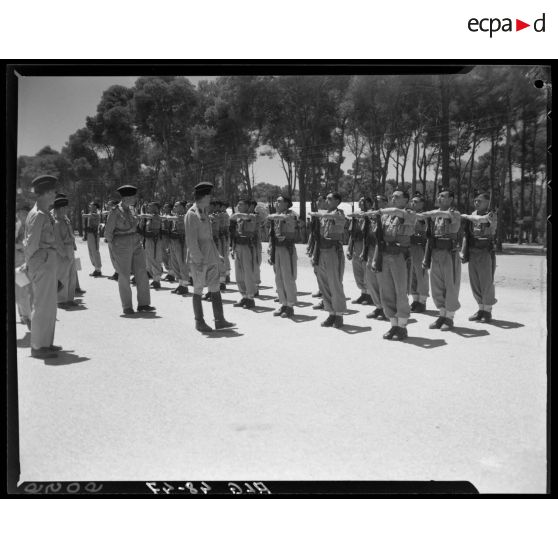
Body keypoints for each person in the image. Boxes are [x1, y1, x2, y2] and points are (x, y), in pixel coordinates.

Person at [185, 182, 235, 332]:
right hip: (199, 259)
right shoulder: (192, 214)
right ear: (204, 196)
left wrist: (217, 254)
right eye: (209, 195)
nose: (211, 198)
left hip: (211, 257)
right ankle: (199, 322)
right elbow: (191, 241)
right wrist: (198, 260)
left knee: (215, 287)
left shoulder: (204, 212)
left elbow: (210, 238)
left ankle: (219, 320)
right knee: (198, 289)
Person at [24, 175, 61, 359]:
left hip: (47, 260)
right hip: (43, 261)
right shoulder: (39, 215)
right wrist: (32, 265)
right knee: (42, 305)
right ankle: (38, 346)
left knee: (49, 306)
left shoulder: (44, 213)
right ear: (45, 193)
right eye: (53, 191)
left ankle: (46, 343)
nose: (55, 195)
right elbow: (30, 244)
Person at [104, 184, 155, 315]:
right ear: (126, 198)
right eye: (133, 197)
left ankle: (144, 304)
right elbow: (108, 233)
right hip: (121, 244)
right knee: (124, 274)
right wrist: (113, 249)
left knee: (141, 272)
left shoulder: (133, 209)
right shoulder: (115, 211)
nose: (135, 199)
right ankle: (127, 306)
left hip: (136, 242)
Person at [374, 190, 417, 341]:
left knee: (400, 291)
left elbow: (397, 212)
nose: (393, 199)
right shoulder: (386, 216)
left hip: (400, 256)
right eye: (392, 197)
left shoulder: (409, 213)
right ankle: (393, 324)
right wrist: (375, 258)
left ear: (406, 200)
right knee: (387, 291)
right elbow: (380, 239)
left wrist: (379, 210)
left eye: (397, 197)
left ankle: (402, 327)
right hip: (386, 255)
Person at [419, 189, 462, 331]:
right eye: (438, 195)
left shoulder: (454, 213)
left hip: (449, 254)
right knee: (437, 286)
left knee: (450, 285)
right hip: (436, 253)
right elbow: (430, 238)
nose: (439, 198)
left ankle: (449, 318)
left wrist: (431, 213)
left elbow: (451, 220)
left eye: (443, 196)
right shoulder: (434, 216)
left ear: (451, 199)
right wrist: (427, 257)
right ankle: (441, 315)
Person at [309, 192, 347, 328]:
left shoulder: (339, 213)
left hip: (333, 251)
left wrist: (318, 214)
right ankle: (331, 313)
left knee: (334, 283)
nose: (327, 200)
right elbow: (317, 237)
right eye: (327, 198)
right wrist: (314, 254)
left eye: (330, 198)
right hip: (322, 251)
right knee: (324, 284)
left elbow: (332, 217)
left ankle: (339, 315)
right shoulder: (323, 215)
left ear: (337, 201)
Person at [461, 192, 498, 323]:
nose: (476, 203)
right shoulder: (472, 214)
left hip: (485, 251)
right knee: (475, 281)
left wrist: (465, 216)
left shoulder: (491, 214)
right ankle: (480, 309)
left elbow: (481, 221)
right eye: (475, 200)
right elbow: (467, 234)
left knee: (486, 281)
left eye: (480, 201)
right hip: (473, 251)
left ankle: (487, 311)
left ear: (487, 202)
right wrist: (463, 251)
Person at [267, 195, 299, 318]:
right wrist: (271, 250)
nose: (276, 203)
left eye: (279, 201)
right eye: (276, 201)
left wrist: (272, 215)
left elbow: (287, 219)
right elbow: (272, 235)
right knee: (278, 277)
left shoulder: (291, 214)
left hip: (287, 248)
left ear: (287, 204)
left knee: (288, 277)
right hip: (277, 248)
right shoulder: (276, 216)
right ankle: (283, 303)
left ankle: (290, 306)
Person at [230, 198, 260, 309]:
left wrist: (237, 215)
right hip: (238, 246)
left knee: (248, 272)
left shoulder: (252, 216)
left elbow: (239, 217)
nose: (238, 206)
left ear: (247, 206)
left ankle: (250, 298)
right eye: (237, 204)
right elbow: (232, 219)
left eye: (240, 204)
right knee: (239, 273)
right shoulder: (239, 217)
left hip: (248, 247)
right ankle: (244, 295)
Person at [52, 193, 78, 308]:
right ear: (61, 208)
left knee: (72, 275)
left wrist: (73, 246)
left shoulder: (65, 220)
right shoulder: (56, 223)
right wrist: (63, 254)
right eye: (65, 207)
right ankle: (61, 300)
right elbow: (57, 242)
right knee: (62, 275)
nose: (67, 209)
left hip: (70, 249)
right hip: (63, 252)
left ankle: (70, 298)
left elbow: (70, 235)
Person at [364, 194, 388, 320]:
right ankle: (378, 306)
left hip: (382, 251)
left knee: (382, 281)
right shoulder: (372, 216)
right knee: (371, 280)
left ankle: (386, 308)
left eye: (379, 201)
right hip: (372, 250)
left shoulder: (388, 215)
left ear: (385, 202)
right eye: (375, 201)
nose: (376, 203)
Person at [347, 196, 374, 305]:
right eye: (360, 201)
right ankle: (363, 294)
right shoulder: (356, 215)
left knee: (366, 271)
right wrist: (349, 248)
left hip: (366, 244)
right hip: (357, 245)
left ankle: (370, 295)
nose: (360, 203)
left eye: (363, 201)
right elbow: (352, 234)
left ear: (369, 203)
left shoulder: (372, 215)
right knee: (358, 271)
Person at [408, 192, 429, 313]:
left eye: (416, 202)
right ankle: (415, 300)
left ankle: (422, 301)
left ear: (422, 204)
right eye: (412, 201)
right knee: (412, 274)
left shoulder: (424, 216)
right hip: (410, 247)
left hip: (420, 247)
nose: (412, 203)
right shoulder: (409, 214)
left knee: (421, 274)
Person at [15, 203, 32, 329]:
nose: (24, 215)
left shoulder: (26, 225)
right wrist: (21, 246)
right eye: (22, 212)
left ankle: (23, 315)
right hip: (18, 262)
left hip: (23, 261)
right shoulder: (17, 225)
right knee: (23, 289)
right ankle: (26, 316)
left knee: (23, 289)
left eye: (26, 212)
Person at [139, 201, 164, 290]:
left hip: (154, 241)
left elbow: (153, 232)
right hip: (148, 241)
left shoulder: (156, 217)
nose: (148, 207)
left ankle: (157, 280)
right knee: (149, 261)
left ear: (156, 208)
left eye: (150, 206)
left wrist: (142, 232)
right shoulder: (149, 217)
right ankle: (154, 279)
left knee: (155, 260)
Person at [168, 200, 190, 295]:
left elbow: (174, 219)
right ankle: (180, 284)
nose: (174, 207)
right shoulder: (175, 216)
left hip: (182, 242)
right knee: (175, 263)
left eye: (177, 206)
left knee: (182, 263)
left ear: (183, 207)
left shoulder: (185, 216)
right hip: (174, 241)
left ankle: (184, 286)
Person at [82, 200, 103, 277]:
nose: (89, 206)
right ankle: (96, 268)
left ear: (94, 206)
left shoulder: (96, 214)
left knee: (95, 251)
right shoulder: (91, 214)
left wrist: (83, 214)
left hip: (94, 235)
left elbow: (85, 216)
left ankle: (98, 269)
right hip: (90, 234)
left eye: (91, 205)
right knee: (91, 251)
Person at [105, 193, 121, 281]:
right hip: (111, 238)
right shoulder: (111, 213)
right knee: (112, 256)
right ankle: (117, 272)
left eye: (109, 205)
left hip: (115, 238)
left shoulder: (116, 213)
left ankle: (119, 272)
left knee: (116, 256)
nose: (108, 206)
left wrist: (110, 237)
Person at [160, 201, 175, 282]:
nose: (164, 208)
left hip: (169, 238)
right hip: (162, 237)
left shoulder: (171, 217)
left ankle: (171, 273)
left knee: (170, 255)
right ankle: (168, 271)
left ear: (170, 208)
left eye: (166, 207)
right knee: (163, 255)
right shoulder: (162, 216)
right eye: (164, 207)